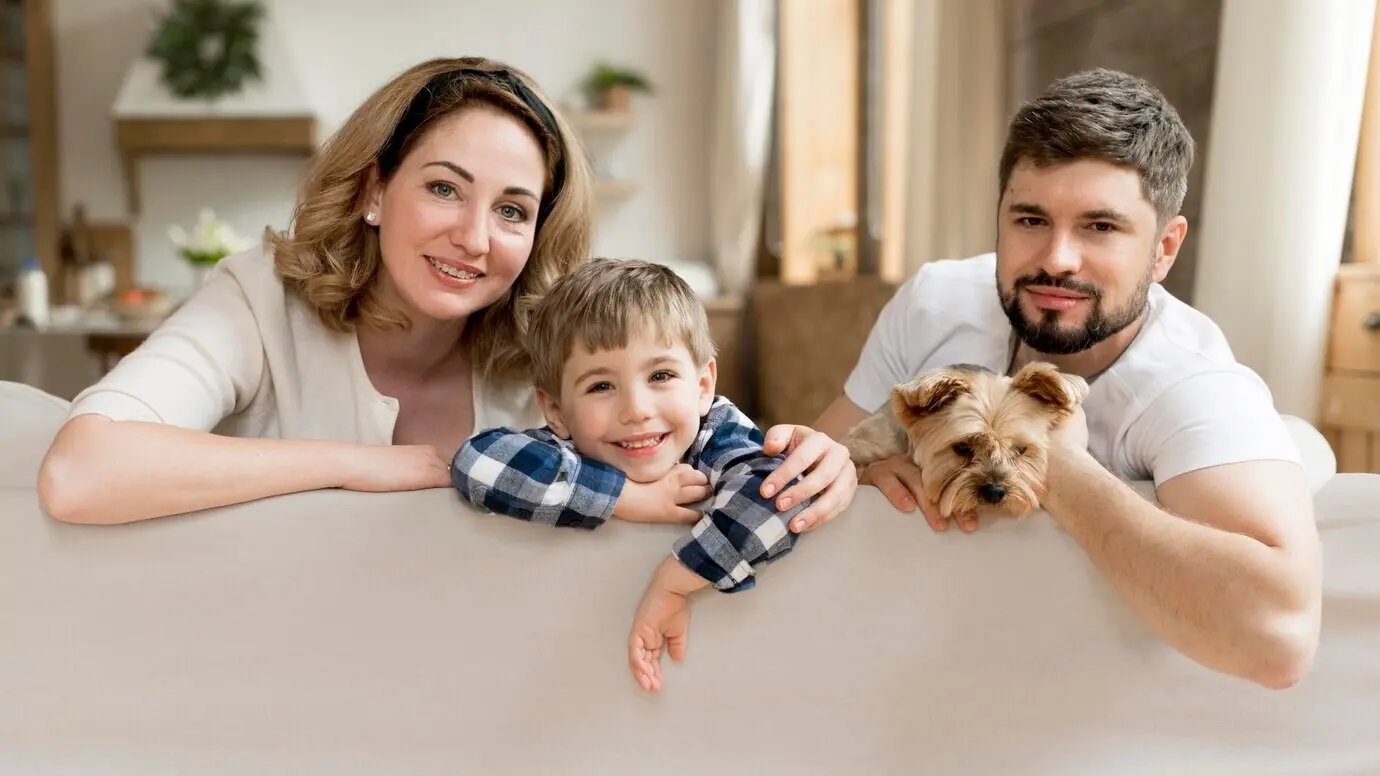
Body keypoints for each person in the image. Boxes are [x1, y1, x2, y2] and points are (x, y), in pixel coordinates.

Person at [35, 56, 856, 530]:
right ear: (371, 190)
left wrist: (818, 464)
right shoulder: (257, 300)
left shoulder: (554, 345)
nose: (474, 237)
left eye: (511, 210)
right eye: (442, 189)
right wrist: (363, 467)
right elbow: (80, 473)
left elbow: (689, 447)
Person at [813, 69, 1321, 691]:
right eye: (1030, 220)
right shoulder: (937, 302)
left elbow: (1280, 642)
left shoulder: (1193, 386)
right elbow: (815, 457)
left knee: (1299, 446)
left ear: (1164, 249)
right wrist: (859, 469)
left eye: (1100, 227)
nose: (1056, 259)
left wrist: (1062, 465)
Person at [451, 258, 813, 693]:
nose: (637, 410)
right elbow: (478, 463)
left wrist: (676, 582)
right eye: (601, 386)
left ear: (702, 387)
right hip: (559, 676)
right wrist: (625, 497)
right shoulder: (564, 448)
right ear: (556, 411)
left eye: (660, 375)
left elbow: (781, 491)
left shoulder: (714, 430)